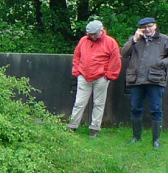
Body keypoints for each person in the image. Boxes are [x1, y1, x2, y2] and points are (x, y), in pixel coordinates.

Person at [67, 20, 121, 138]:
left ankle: (94, 128)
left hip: (101, 77)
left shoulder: (110, 42)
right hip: (84, 76)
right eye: (90, 34)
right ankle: (72, 126)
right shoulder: (83, 40)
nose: (92, 36)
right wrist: (77, 71)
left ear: (101, 31)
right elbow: (77, 56)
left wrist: (108, 76)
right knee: (79, 102)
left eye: (94, 34)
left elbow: (115, 60)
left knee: (99, 104)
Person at [120, 17, 167, 149]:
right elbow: (123, 53)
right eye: (144, 27)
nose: (147, 29)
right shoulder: (136, 39)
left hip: (155, 79)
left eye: (150, 26)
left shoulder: (164, 39)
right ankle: (136, 137)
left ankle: (156, 140)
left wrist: (160, 62)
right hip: (136, 80)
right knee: (135, 108)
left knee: (156, 110)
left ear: (155, 26)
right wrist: (134, 40)